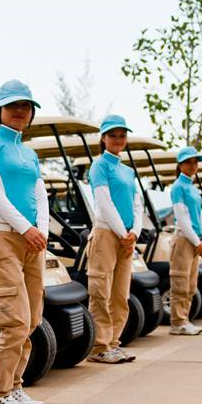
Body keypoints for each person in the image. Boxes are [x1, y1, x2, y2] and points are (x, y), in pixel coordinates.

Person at [0, 79, 49, 404]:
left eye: (25, 106)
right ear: (0, 110)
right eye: (13, 105)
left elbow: (39, 194)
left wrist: (40, 231)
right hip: (3, 236)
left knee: (31, 319)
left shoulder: (29, 153)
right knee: (14, 320)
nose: (20, 111)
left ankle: (14, 386)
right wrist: (25, 228)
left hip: (32, 238)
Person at [85, 114, 143, 363]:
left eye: (122, 135)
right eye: (113, 135)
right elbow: (104, 202)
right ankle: (99, 346)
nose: (118, 139)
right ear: (103, 138)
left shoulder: (128, 170)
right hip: (107, 234)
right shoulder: (99, 165)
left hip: (127, 237)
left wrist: (134, 233)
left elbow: (137, 203)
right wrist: (123, 234)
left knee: (120, 294)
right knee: (101, 291)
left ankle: (114, 342)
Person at [168, 146, 202, 335]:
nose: (192, 166)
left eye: (195, 162)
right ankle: (177, 323)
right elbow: (182, 218)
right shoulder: (178, 187)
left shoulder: (193, 188)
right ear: (180, 165)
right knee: (180, 282)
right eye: (188, 162)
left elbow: (199, 216)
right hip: (184, 239)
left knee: (191, 284)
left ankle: (185, 319)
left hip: (195, 240)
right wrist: (197, 241)